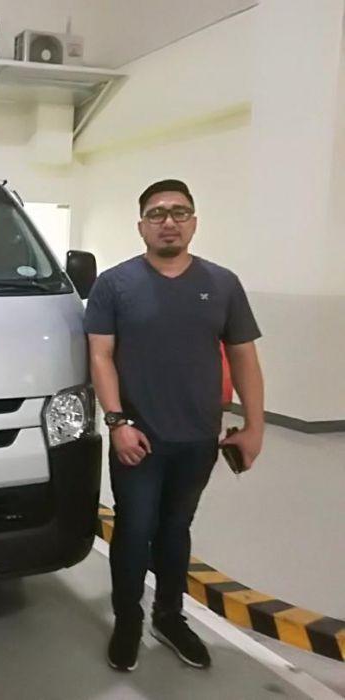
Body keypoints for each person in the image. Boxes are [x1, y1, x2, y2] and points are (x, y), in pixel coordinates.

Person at [84, 179, 264, 672]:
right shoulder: (114, 284)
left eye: (179, 212)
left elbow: (244, 357)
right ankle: (127, 620)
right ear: (141, 225)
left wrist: (254, 425)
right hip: (137, 437)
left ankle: (169, 616)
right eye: (157, 213)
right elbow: (100, 356)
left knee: (176, 527)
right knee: (134, 528)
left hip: (198, 437)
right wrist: (117, 422)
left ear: (194, 222)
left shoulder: (222, 284)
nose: (169, 221)